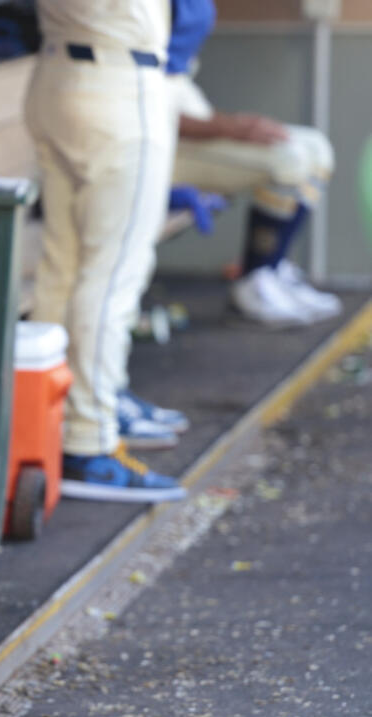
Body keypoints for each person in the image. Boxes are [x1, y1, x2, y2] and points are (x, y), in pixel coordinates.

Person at [25, 0, 187, 502]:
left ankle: (45, 421)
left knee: (63, 271)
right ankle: (88, 440)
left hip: (56, 76)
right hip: (120, 85)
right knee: (110, 278)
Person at [167, 0, 341, 328]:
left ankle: (270, 269)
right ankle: (254, 283)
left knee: (316, 148)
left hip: (182, 98)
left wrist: (233, 124)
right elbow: (149, 98)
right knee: (288, 159)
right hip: (149, 124)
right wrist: (231, 127)